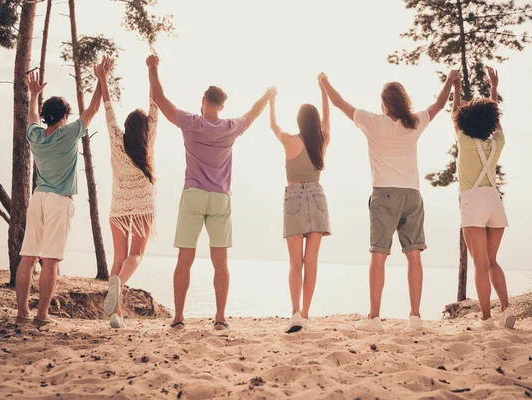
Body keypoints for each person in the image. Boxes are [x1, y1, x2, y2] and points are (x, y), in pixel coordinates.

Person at [319, 69, 460, 332]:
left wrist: (324, 81)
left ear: (384, 103)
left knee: (379, 255)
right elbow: (440, 104)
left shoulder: (372, 121)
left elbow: (338, 102)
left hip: (384, 195)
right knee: (414, 255)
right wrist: (451, 81)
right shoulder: (414, 123)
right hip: (412, 195)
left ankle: (374, 318)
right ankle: (415, 318)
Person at [145, 54, 276, 330]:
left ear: (203, 101)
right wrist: (267, 94)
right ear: (223, 105)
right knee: (220, 261)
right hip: (220, 198)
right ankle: (219, 318)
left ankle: (179, 318)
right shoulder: (230, 127)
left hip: (193, 194)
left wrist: (153, 67)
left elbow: (158, 96)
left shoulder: (191, 122)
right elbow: (252, 112)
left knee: (185, 258)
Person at [15, 70, 102, 326]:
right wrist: (100, 79)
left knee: (28, 257)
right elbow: (94, 107)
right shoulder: (70, 133)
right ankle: (42, 315)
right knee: (50, 259)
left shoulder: (36, 136)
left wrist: (33, 95)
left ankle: (22, 313)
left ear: (45, 117)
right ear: (64, 117)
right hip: (58, 201)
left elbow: (31, 117)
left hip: (38, 198)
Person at [96, 57, 159, 329]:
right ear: (145, 129)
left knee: (118, 258)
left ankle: (115, 315)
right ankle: (119, 286)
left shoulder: (115, 139)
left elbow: (108, 109)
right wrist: (152, 69)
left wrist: (103, 78)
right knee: (136, 256)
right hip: (143, 206)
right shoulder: (148, 142)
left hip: (119, 208)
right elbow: (154, 104)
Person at [453, 67, 515, 330]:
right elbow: (497, 123)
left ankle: (487, 319)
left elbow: (455, 116)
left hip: (473, 202)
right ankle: (507, 308)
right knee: (492, 262)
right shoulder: (496, 144)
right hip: (495, 203)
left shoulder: (465, 141)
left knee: (479, 264)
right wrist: (494, 90)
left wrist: (456, 90)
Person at [269, 76, 331, 333]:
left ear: (298, 121)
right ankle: (305, 314)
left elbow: (273, 125)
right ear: (315, 122)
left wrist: (272, 101)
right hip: (316, 197)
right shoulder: (322, 141)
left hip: (294, 196)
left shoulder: (290, 141)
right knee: (311, 262)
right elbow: (328, 118)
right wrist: (324, 89)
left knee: (295, 262)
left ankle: (295, 312)